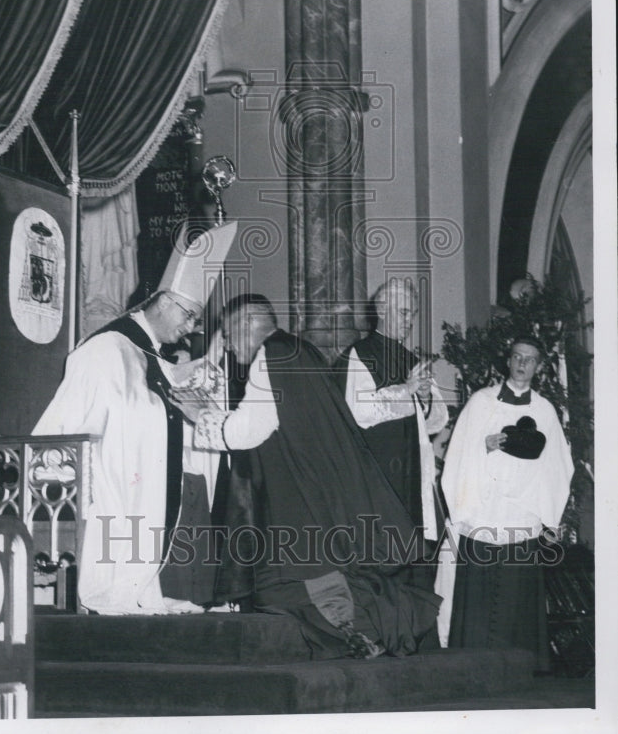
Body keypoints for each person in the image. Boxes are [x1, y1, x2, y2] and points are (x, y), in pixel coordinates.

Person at [189, 293, 441, 659]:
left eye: (227, 334)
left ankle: (374, 630)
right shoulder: (298, 349)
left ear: (247, 324)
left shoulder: (271, 355)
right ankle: (362, 632)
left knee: (298, 578)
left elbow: (249, 431)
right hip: (319, 480)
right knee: (311, 574)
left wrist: (200, 414)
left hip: (300, 489)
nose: (226, 345)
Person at [32, 222, 236, 615]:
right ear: (164, 301)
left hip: (143, 498)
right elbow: (64, 430)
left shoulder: (153, 357)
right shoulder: (105, 350)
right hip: (109, 496)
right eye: (190, 316)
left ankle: (139, 593)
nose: (191, 329)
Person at [439, 336, 574, 667]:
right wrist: (483, 447)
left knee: (516, 598)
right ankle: (471, 664)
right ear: (508, 360)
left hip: (520, 515)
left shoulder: (544, 410)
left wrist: (549, 517)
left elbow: (559, 465)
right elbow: (456, 455)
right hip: (484, 513)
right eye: (517, 356)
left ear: (539, 367)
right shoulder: (481, 403)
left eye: (530, 359)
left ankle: (519, 666)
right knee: (479, 600)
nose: (522, 364)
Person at [336, 278, 448, 551]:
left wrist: (425, 398)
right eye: (404, 312)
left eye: (413, 314)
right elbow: (360, 411)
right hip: (378, 473)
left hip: (412, 471)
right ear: (383, 311)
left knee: (413, 554)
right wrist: (407, 390)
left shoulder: (411, 359)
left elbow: (438, 419)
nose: (410, 321)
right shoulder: (359, 354)